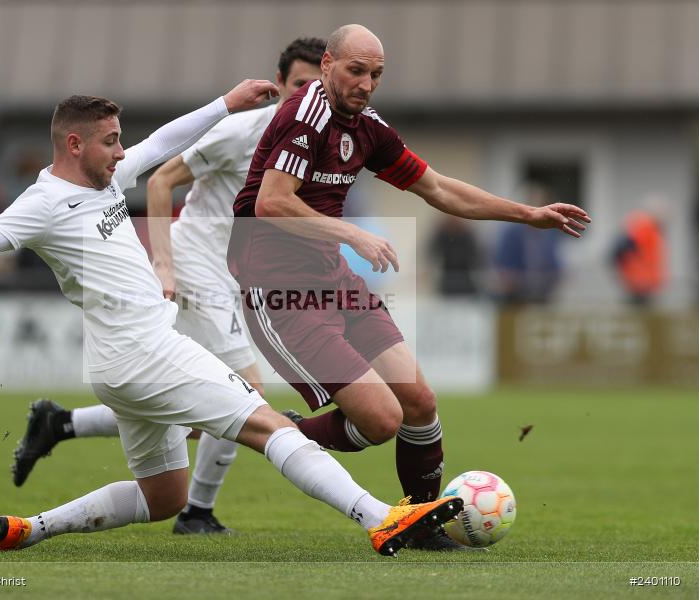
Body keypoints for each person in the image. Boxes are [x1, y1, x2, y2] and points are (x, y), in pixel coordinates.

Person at [0, 79, 464, 556]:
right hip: (147, 354)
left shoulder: (104, 181)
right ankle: (381, 518)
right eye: (111, 141)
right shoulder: (43, 204)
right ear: (75, 143)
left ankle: (28, 530)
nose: (122, 152)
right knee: (267, 425)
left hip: (120, 367)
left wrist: (226, 102)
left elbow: (165, 142)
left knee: (164, 496)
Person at [228, 24, 591, 551]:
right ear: (327, 64)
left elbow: (438, 187)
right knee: (380, 420)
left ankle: (419, 524)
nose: (366, 83)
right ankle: (278, 433)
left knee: (418, 402)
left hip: (331, 275)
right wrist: (351, 231)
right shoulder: (303, 117)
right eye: (356, 70)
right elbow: (271, 203)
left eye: (376, 74)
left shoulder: (367, 126)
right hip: (279, 288)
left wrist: (526, 213)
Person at [9, 37, 326, 536]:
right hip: (196, 263)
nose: (305, 95)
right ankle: (196, 511)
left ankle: (62, 424)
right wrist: (165, 263)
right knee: (247, 397)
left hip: (235, 275)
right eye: (298, 85)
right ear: (279, 85)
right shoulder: (243, 132)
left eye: (316, 88)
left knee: (189, 401)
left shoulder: (318, 140)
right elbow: (159, 180)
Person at [492, 183, 564, 305]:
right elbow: (502, 260)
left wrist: (557, 276)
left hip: (543, 290)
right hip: (516, 291)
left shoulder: (550, 232)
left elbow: (554, 259)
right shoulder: (510, 232)